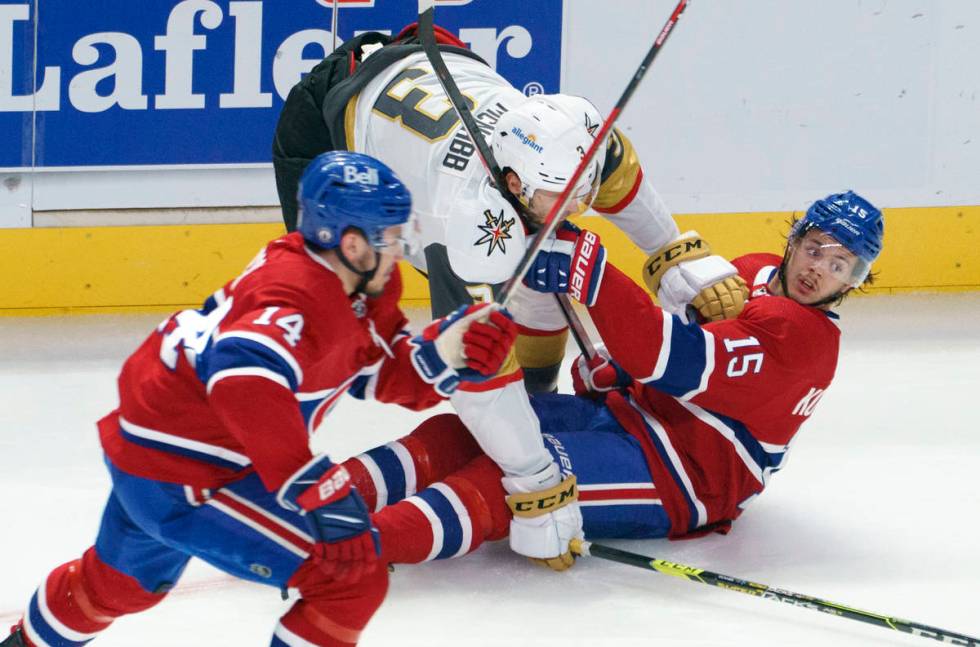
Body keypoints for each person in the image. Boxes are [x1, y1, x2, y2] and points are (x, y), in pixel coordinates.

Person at [272, 23, 748, 570]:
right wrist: (537, 484)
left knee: (531, 265)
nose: (580, 206)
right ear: (515, 185)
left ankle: (534, 400)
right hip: (332, 116)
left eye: (584, 188)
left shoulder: (569, 144)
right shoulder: (466, 222)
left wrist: (671, 252)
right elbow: (476, 376)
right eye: (562, 196)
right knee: (330, 308)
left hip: (433, 59)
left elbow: (615, 172)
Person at [1, 151, 518, 647]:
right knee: (350, 580)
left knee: (117, 585)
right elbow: (241, 375)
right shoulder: (297, 291)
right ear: (352, 243)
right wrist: (317, 488)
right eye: (388, 236)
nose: (399, 247)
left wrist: (448, 355)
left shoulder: (360, 285)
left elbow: (377, 370)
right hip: (190, 470)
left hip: (160, 445)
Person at [311, 191, 884, 565]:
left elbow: (667, 355)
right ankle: (320, 499)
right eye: (815, 249)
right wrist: (616, 371)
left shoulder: (804, 340)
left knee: (516, 477)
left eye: (840, 265)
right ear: (794, 240)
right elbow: (669, 353)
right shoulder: (754, 271)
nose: (818, 270)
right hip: (639, 418)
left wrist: (593, 273)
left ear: (855, 280)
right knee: (468, 432)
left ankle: (357, 551)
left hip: (687, 475)